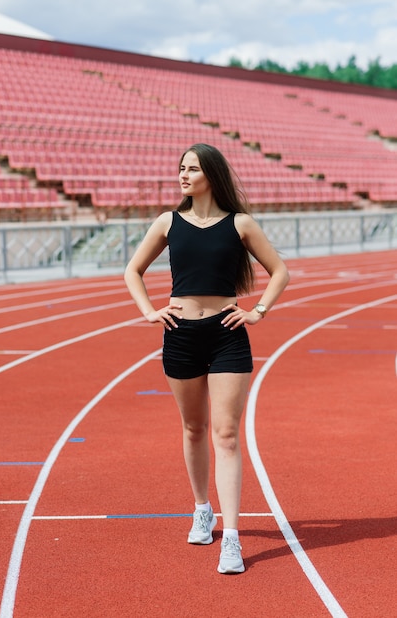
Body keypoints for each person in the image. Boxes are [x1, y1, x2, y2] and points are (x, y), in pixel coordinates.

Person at [124, 143, 289, 574]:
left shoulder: (240, 224)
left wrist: (257, 311)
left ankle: (231, 538)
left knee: (227, 433)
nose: (182, 175)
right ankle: (202, 509)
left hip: (227, 334)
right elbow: (132, 270)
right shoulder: (168, 222)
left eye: (191, 169)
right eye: (180, 168)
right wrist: (148, 311)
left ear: (211, 175)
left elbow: (280, 271)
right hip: (180, 334)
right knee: (194, 428)